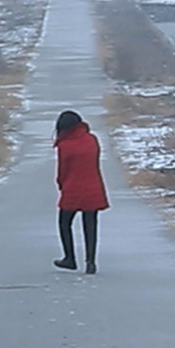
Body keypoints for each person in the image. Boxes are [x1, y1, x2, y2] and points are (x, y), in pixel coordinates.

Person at [53, 109, 108, 273]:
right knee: (90, 225)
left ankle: (69, 258)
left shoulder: (64, 145)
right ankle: (91, 262)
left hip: (72, 189)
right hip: (94, 187)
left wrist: (61, 185)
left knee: (64, 223)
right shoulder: (92, 140)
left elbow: (62, 171)